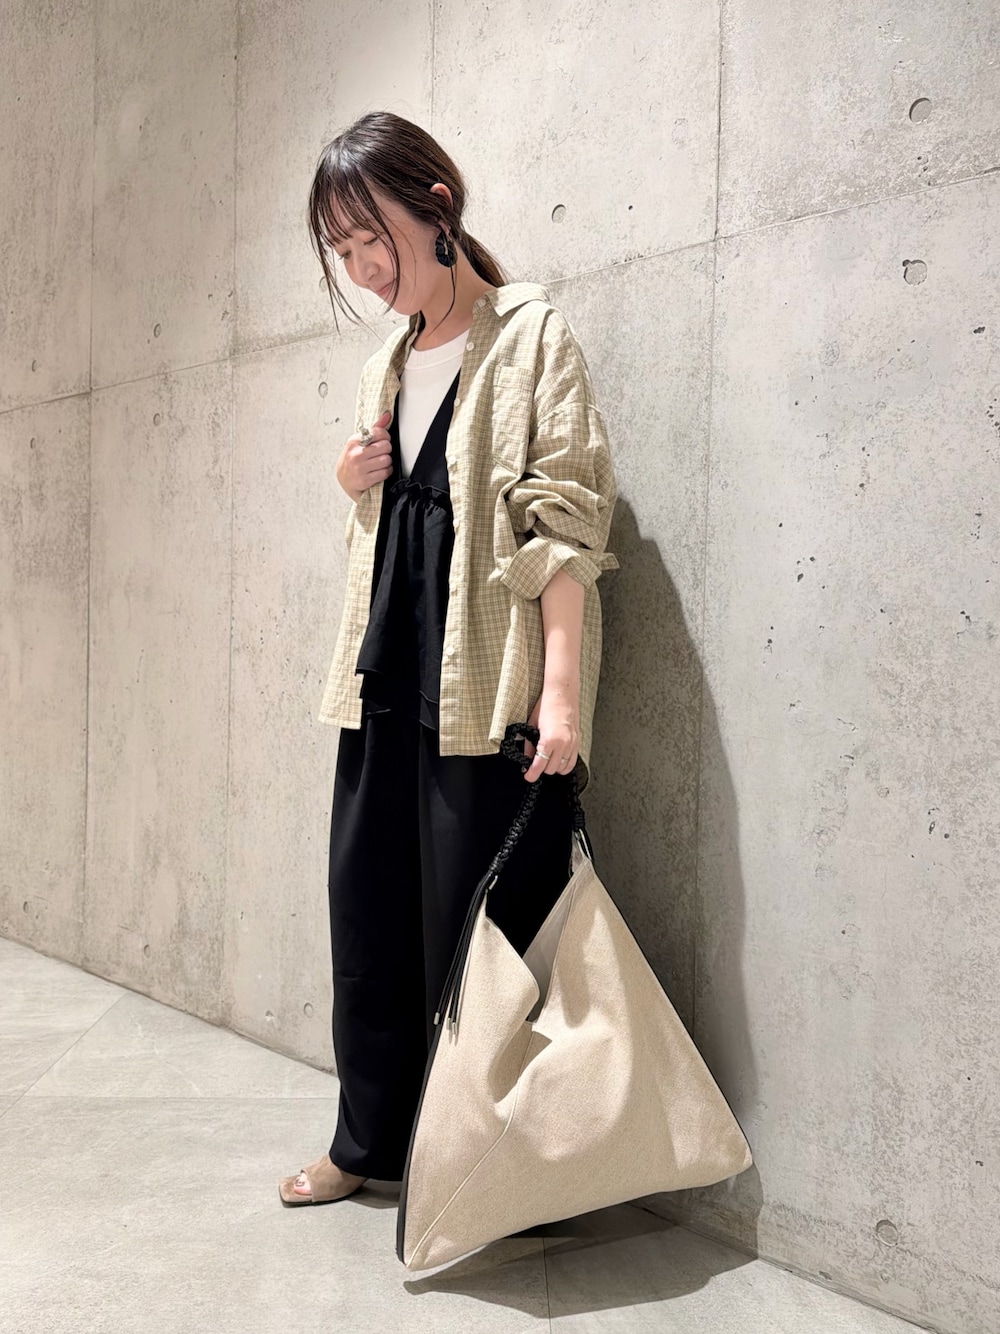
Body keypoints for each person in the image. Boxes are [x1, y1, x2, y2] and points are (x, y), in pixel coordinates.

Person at [278, 111, 618, 1207]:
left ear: (436, 206)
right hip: (382, 682)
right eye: (342, 249)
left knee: (482, 946)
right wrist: (351, 480)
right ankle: (367, 1145)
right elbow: (394, 528)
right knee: (367, 919)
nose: (362, 269)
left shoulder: (528, 335)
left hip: (483, 692)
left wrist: (560, 699)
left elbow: (564, 528)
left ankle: (489, 1178)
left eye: (369, 237)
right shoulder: (386, 361)